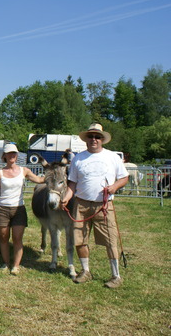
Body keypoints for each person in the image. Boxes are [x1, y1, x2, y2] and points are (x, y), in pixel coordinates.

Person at [62, 123, 129, 288]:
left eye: (97, 137)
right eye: (91, 136)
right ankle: (85, 271)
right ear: (86, 139)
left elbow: (124, 178)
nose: (94, 139)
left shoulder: (112, 157)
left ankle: (116, 276)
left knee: (111, 240)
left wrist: (114, 187)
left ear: (102, 140)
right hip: (81, 204)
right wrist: (67, 196)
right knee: (80, 239)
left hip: (104, 206)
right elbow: (72, 183)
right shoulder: (78, 159)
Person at [0, 143, 45, 275]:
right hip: (2, 209)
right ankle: (6, 263)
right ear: (4, 156)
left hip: (18, 209)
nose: (11, 155)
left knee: (17, 238)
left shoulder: (24, 171)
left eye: (14, 153)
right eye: (9, 153)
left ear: (17, 155)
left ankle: (16, 266)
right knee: (3, 237)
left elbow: (38, 179)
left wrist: (53, 175)